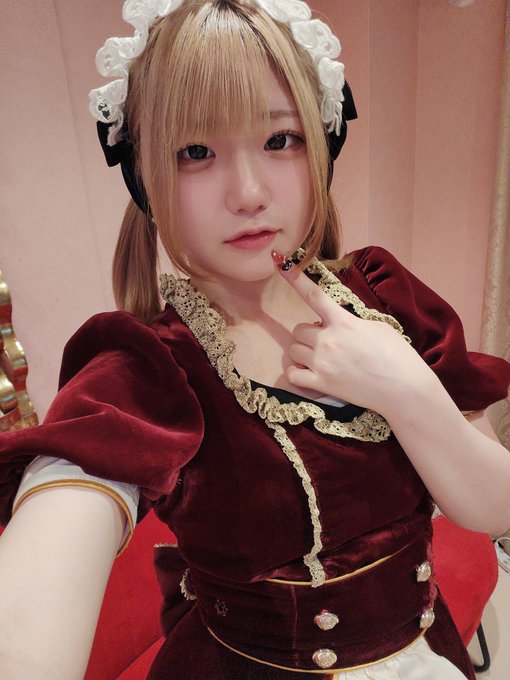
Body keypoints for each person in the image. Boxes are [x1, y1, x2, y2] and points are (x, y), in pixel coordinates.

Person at [0, 1, 509, 678]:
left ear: (322, 143)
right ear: (145, 174)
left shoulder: (386, 297)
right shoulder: (146, 368)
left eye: (281, 139)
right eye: (196, 152)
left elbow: (494, 507)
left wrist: (407, 389)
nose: (247, 193)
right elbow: (36, 597)